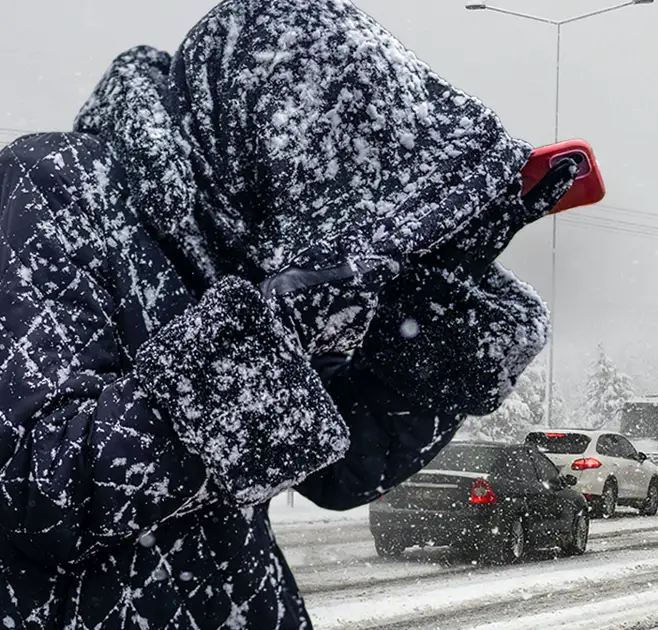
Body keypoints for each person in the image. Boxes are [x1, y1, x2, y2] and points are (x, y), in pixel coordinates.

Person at [0, 0, 575, 627]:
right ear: (265, 135)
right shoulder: (56, 183)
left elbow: (339, 475)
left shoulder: (247, 243)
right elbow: (35, 486)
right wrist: (270, 347)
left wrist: (426, 341)